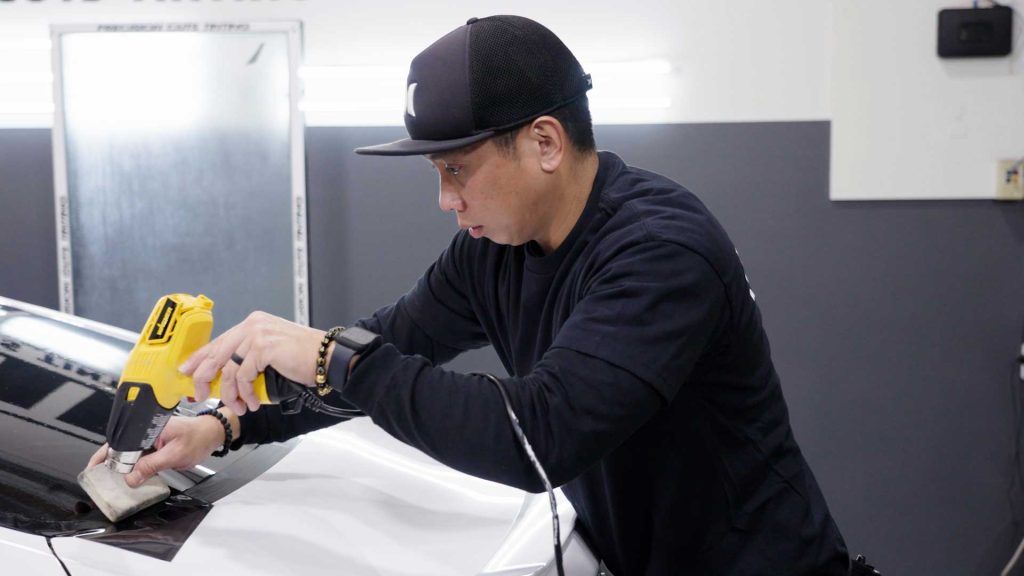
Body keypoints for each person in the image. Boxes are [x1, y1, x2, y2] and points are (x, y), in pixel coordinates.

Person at [90, 15, 852, 575]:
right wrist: (225, 425)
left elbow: (537, 436)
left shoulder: (661, 252)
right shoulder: (494, 252)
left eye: (457, 170)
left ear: (545, 142)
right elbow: (390, 350)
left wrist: (329, 355)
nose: (446, 200)